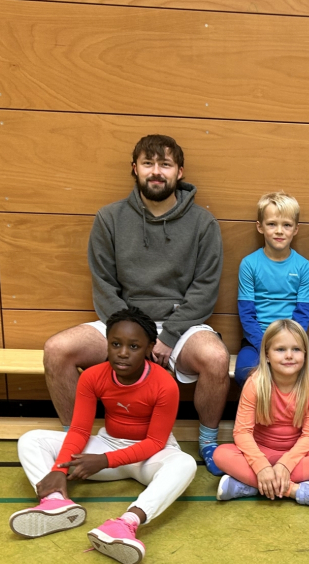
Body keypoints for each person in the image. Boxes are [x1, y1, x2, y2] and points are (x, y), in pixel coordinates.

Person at [42, 135, 230, 477]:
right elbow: (104, 285)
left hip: (179, 325)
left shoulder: (203, 224)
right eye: (148, 163)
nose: (156, 172)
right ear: (135, 169)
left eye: (165, 164)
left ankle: (207, 441)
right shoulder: (109, 218)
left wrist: (167, 337)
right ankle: (75, 439)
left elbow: (204, 291)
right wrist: (133, 340)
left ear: (179, 172)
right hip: (123, 321)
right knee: (57, 349)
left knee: (216, 358)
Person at [10, 307, 197, 564]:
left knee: (185, 463)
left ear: (149, 348)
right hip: (107, 445)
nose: (123, 352)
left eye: (134, 346)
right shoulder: (92, 376)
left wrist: (104, 460)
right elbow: (79, 430)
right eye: (116, 344)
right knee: (31, 440)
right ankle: (54, 502)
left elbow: (155, 442)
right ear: (107, 344)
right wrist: (58, 469)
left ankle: (125, 524)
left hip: (149, 456)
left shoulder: (165, 384)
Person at [213, 319, 309, 509]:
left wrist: (285, 465)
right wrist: (261, 466)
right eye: (280, 349)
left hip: (295, 455)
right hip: (259, 451)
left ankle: (251, 485)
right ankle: (295, 490)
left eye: (296, 349)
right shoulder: (255, 383)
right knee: (221, 454)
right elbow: (242, 433)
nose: (289, 355)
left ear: (305, 354)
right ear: (267, 355)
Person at [234, 192, 309, 390]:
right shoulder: (249, 264)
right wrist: (266, 347)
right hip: (256, 342)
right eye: (272, 224)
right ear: (260, 227)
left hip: (292, 341)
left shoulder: (303, 267)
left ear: (296, 229)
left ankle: (294, 410)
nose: (279, 231)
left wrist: (286, 345)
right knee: (245, 373)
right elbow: (247, 315)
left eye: (287, 225)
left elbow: (302, 315)